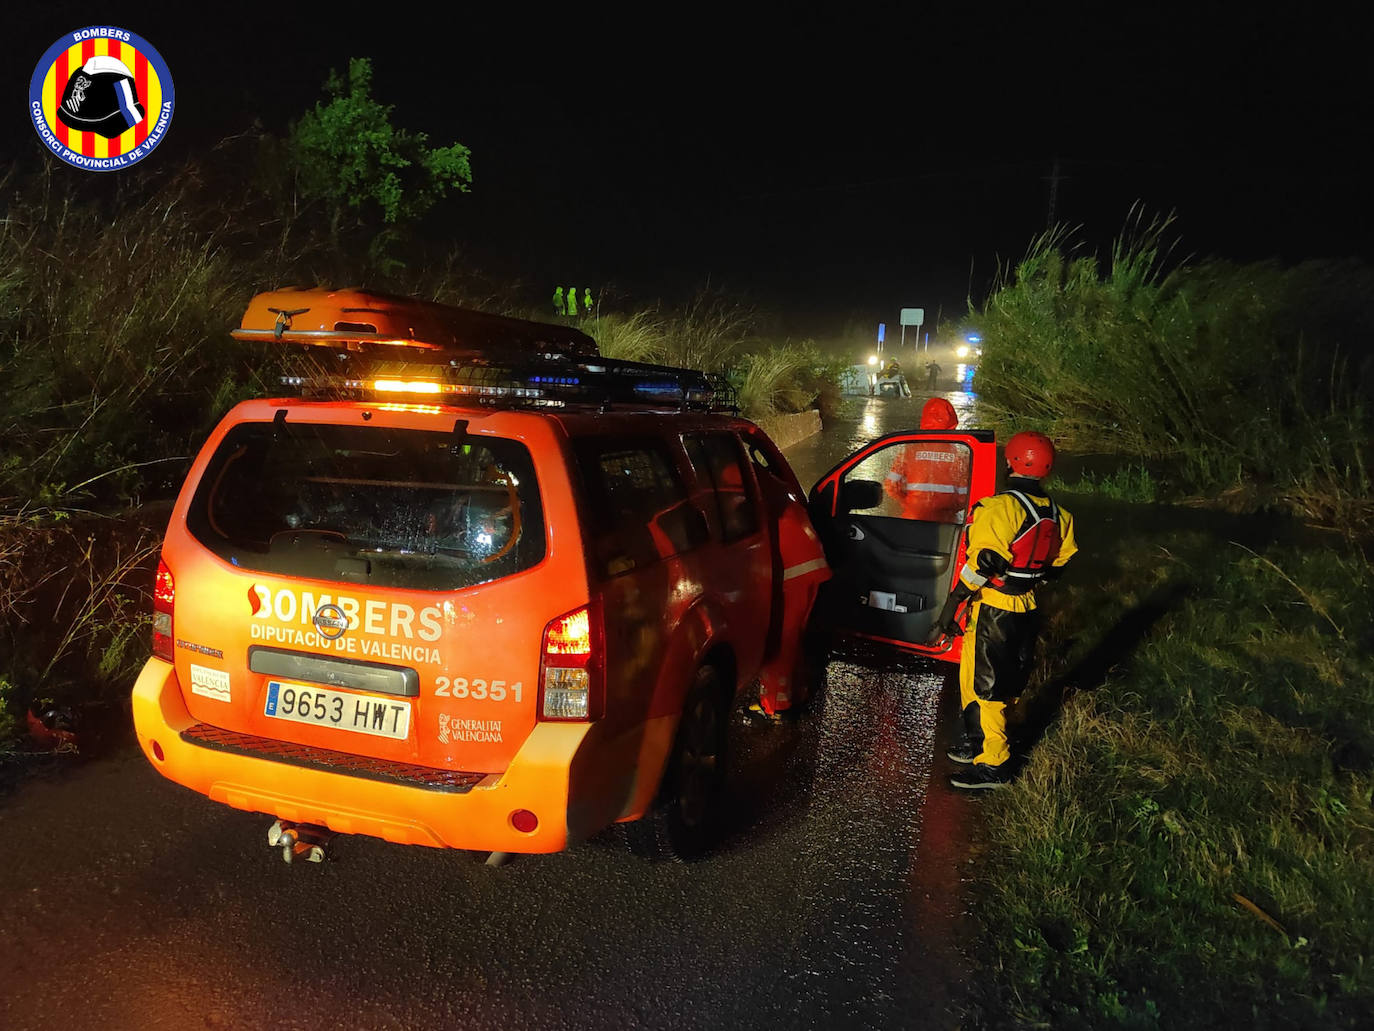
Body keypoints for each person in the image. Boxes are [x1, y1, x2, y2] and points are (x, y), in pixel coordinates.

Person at [926, 430, 1077, 790]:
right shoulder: (1059, 514)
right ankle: (981, 742)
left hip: (994, 607)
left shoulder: (999, 508)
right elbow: (1060, 563)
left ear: (1011, 462)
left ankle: (995, 763)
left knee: (985, 686)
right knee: (1006, 681)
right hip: (1027, 605)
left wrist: (951, 607)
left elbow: (983, 564)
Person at [883, 398, 971, 523]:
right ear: (952, 422)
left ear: (924, 419)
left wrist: (909, 503)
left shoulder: (909, 450)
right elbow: (964, 497)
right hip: (946, 525)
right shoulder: (960, 455)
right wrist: (948, 510)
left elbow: (891, 485)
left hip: (913, 519)